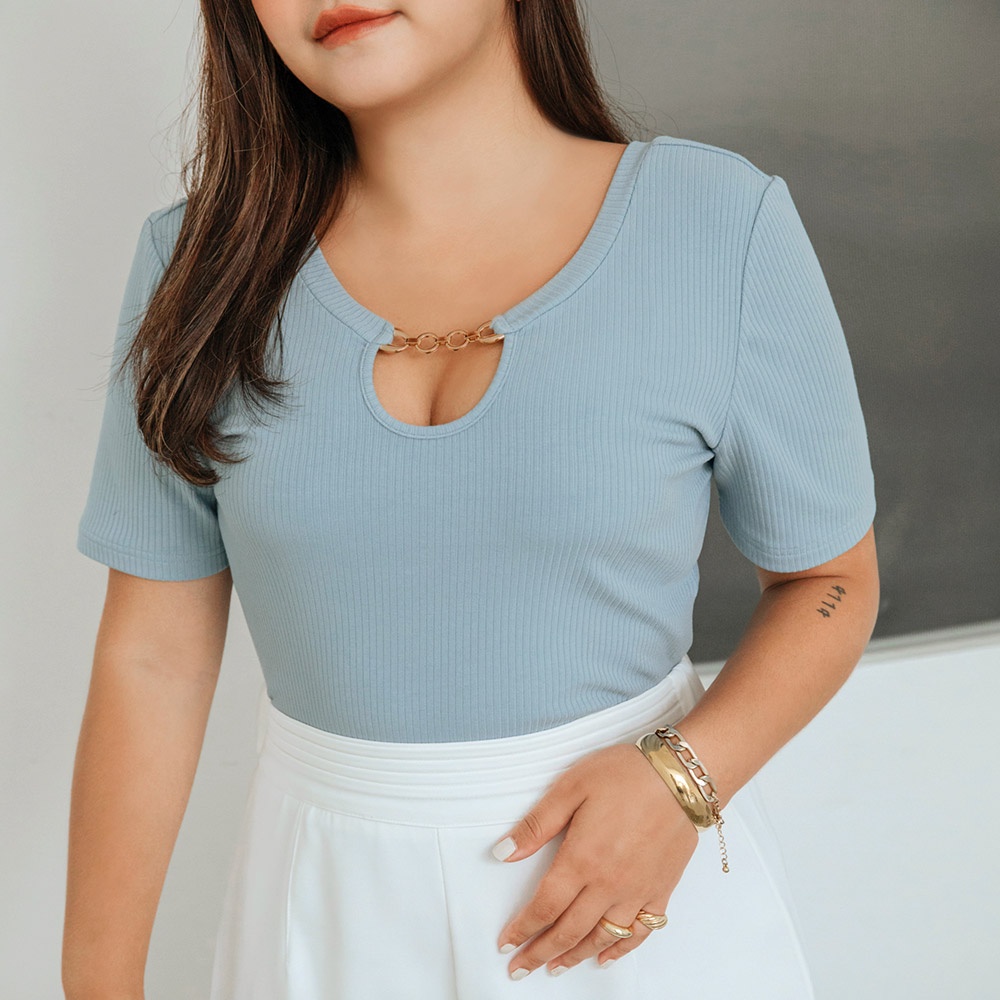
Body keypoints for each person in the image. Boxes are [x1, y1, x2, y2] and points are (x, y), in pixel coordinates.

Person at [62, 1, 880, 998]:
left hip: (628, 908)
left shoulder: (714, 223)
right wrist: (96, 985)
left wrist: (681, 779)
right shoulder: (198, 269)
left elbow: (830, 580)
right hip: (322, 912)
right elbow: (151, 658)